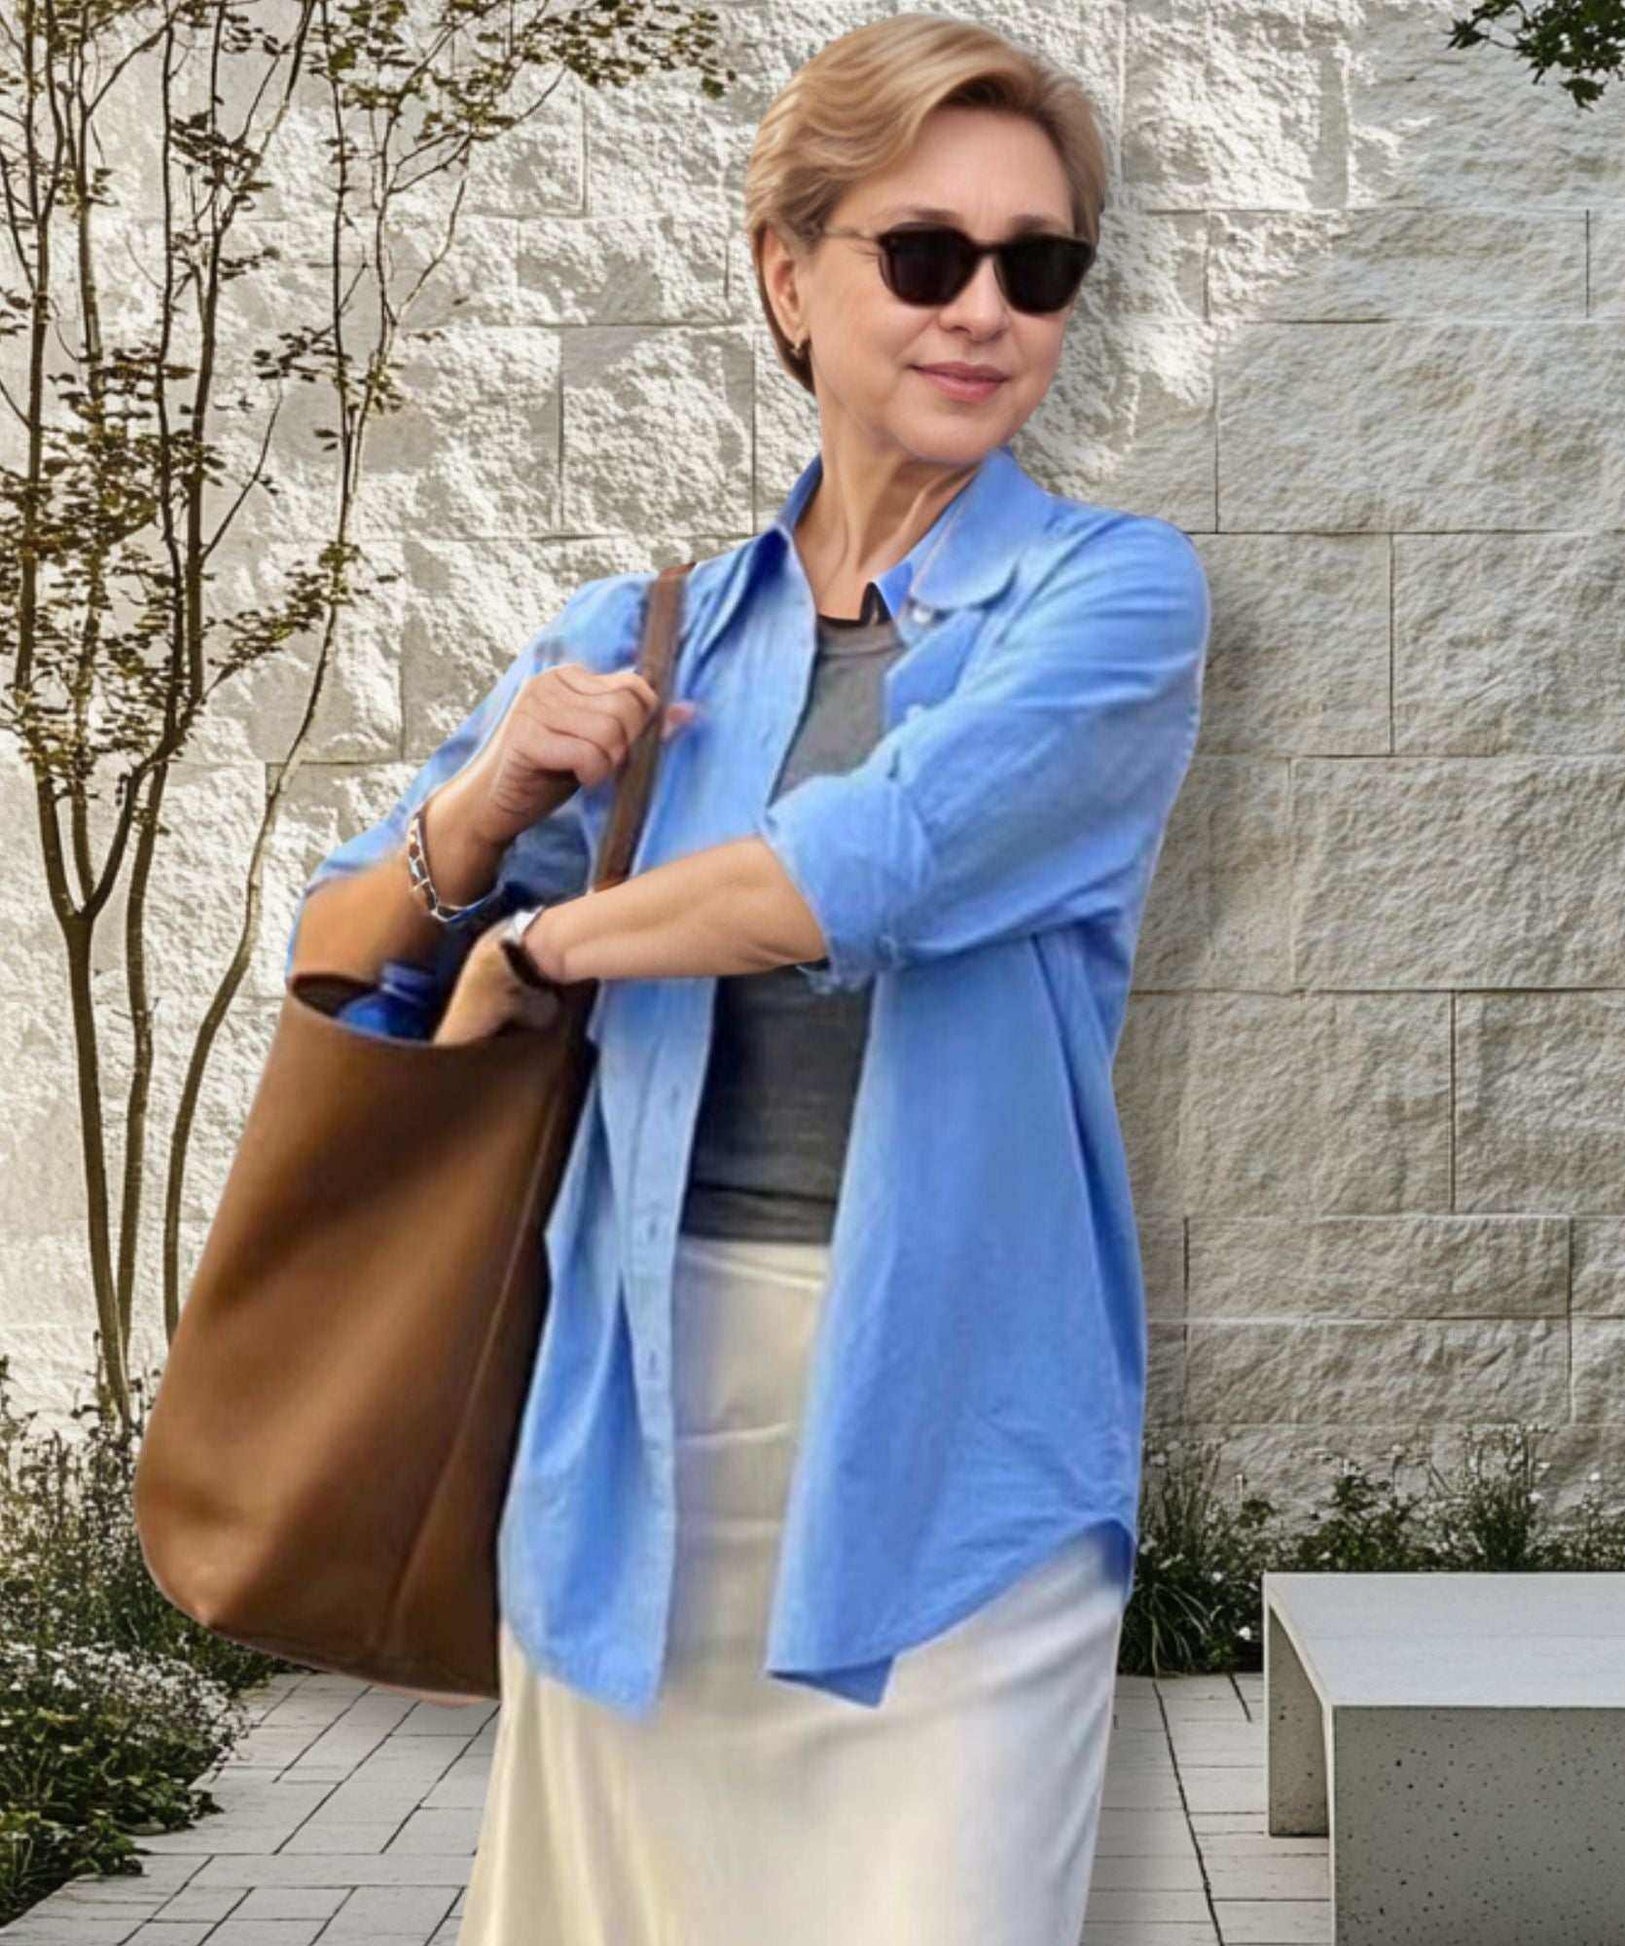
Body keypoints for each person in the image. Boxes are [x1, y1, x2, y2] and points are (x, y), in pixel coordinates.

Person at [283, 13, 1210, 1943]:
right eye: (923, 252)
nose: (984, 309)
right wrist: (494, 800)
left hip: (958, 1431)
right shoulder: (650, 635)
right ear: (790, 274)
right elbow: (343, 945)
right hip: (634, 1419)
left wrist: (545, 938)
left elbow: (864, 869)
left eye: (1036, 265)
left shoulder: (1114, 599)